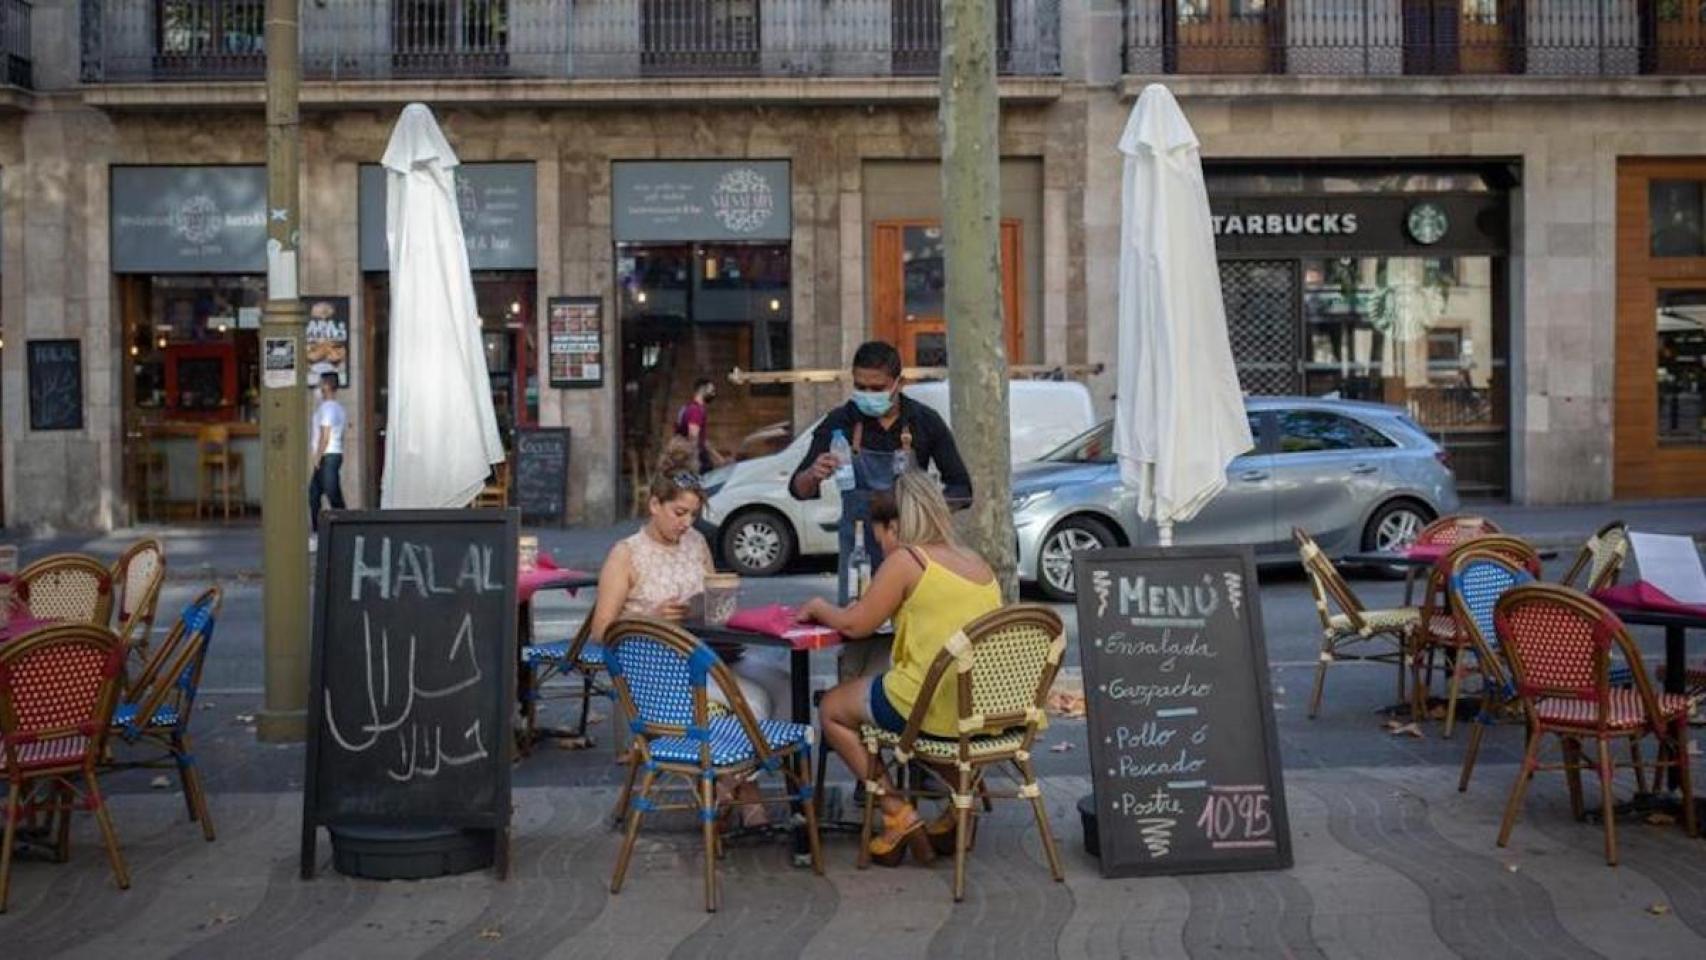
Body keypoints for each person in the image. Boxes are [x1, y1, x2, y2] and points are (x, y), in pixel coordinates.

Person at [797, 472, 1002, 866]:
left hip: (925, 703)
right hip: (979, 705)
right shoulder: (977, 561)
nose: (880, 543)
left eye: (880, 534)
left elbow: (858, 624)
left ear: (894, 525)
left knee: (833, 711)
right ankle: (961, 808)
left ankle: (897, 812)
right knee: (928, 729)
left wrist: (820, 608)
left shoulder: (907, 561)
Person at [586, 447, 790, 827]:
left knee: (782, 684)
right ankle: (744, 794)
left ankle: (734, 783)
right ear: (654, 505)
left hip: (709, 653)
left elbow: (713, 600)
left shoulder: (695, 542)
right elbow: (601, 631)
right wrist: (651, 617)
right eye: (679, 513)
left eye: (693, 514)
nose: (687, 523)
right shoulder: (626, 555)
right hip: (659, 672)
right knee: (755, 699)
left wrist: (709, 604)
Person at [790, 339, 973, 675]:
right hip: (859, 552)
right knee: (858, 641)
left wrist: (923, 507)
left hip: (915, 554)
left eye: (876, 387)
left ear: (898, 384)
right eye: (860, 386)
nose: (867, 394)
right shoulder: (840, 422)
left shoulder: (924, 422)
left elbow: (962, 489)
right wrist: (814, 474)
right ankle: (857, 701)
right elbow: (798, 489)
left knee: (913, 639)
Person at [308, 371, 347, 534]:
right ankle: (318, 531)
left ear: (327, 386)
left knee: (332, 495)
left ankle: (345, 528)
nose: (318, 387)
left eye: (320, 384)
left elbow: (325, 435)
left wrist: (317, 457)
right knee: (314, 493)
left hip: (327, 456)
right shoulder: (339, 408)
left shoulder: (328, 408)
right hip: (333, 454)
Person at [674, 378, 727, 474]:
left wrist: (718, 457)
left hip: (687, 455)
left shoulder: (686, 407)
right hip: (695, 458)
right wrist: (694, 463)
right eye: (711, 391)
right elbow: (693, 437)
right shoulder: (696, 411)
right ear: (702, 389)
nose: (713, 394)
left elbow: (702, 440)